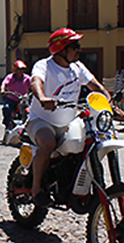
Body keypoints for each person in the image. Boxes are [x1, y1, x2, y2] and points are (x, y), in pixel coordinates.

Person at [26, 28, 111, 207]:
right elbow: (36, 82)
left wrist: (108, 100)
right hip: (41, 121)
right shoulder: (44, 65)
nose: (79, 49)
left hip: (68, 121)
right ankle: (36, 189)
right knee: (48, 143)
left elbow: (94, 84)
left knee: (88, 142)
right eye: (75, 46)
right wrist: (42, 98)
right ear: (61, 49)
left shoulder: (77, 68)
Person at [0, 60, 31, 129]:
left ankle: (27, 127)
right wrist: (2, 90)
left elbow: (33, 84)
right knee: (6, 108)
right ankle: (7, 123)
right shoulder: (10, 77)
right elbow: (4, 84)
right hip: (11, 99)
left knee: (29, 111)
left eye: (22, 69)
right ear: (15, 69)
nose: (21, 71)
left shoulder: (27, 78)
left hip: (23, 99)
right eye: (19, 69)